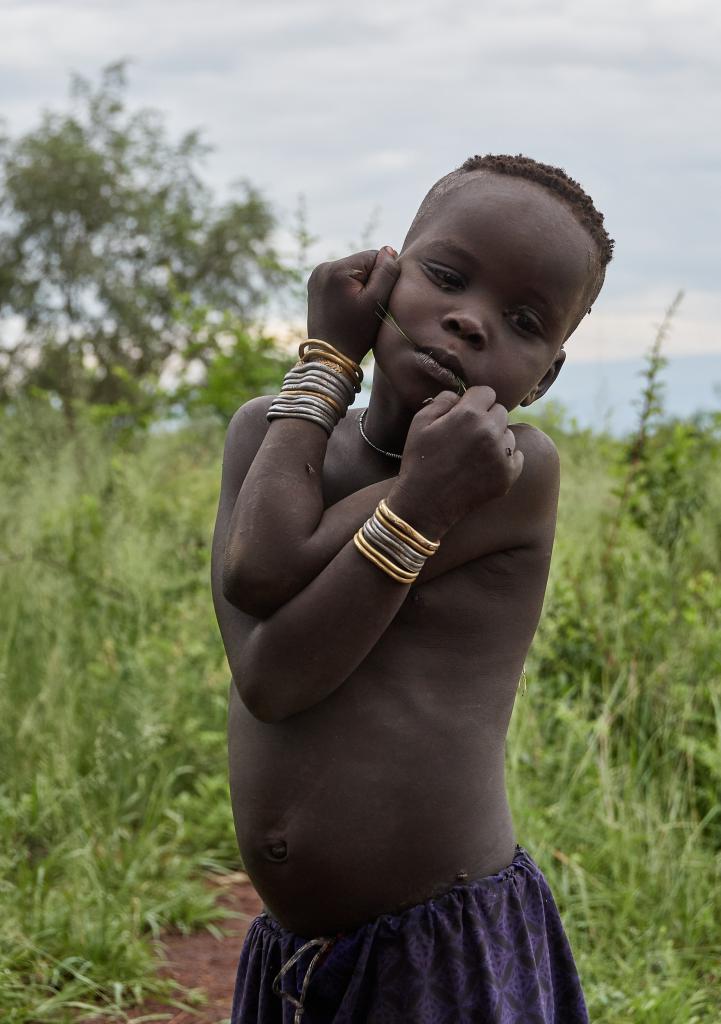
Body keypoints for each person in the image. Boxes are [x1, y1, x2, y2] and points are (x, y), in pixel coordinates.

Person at [211, 153, 613, 1023]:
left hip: (442, 952)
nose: (469, 322)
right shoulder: (261, 434)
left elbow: (282, 681)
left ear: (541, 377)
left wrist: (426, 495)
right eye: (446, 276)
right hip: (294, 960)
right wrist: (327, 361)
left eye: (522, 319)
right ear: (382, 273)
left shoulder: (509, 471)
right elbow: (261, 570)